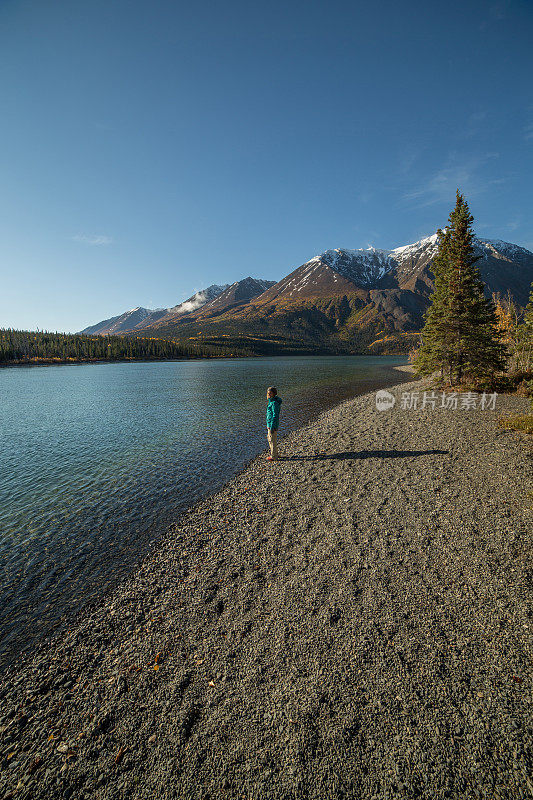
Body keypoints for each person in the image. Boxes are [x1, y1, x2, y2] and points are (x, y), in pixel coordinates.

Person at [266, 386, 282, 461]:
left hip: (273, 425)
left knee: (272, 441)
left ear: (274, 394)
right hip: (270, 424)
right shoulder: (271, 401)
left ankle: (273, 456)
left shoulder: (274, 403)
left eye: (270, 393)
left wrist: (272, 427)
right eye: (268, 393)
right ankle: (275, 454)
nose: (269, 394)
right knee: (271, 440)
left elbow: (275, 415)